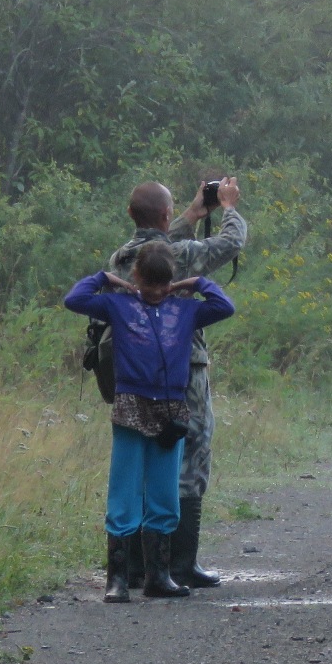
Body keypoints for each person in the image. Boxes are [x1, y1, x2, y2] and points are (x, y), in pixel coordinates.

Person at [66, 240, 235, 603]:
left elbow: (224, 306)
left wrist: (195, 284)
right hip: (130, 406)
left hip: (171, 411)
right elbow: (74, 300)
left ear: (172, 280)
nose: (156, 293)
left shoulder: (185, 310)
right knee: (124, 490)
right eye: (149, 285)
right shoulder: (118, 304)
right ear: (136, 277)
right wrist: (105, 278)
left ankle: (160, 575)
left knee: (164, 492)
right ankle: (118, 579)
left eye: (163, 285)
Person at [107, 177, 247, 589]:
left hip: (134, 375)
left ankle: (134, 567)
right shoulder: (181, 255)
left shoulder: (123, 257)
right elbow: (230, 243)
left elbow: (161, 247)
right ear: (164, 216)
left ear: (131, 215)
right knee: (189, 457)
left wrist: (189, 215)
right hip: (183, 371)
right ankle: (179, 563)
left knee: (139, 464)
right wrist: (228, 207)